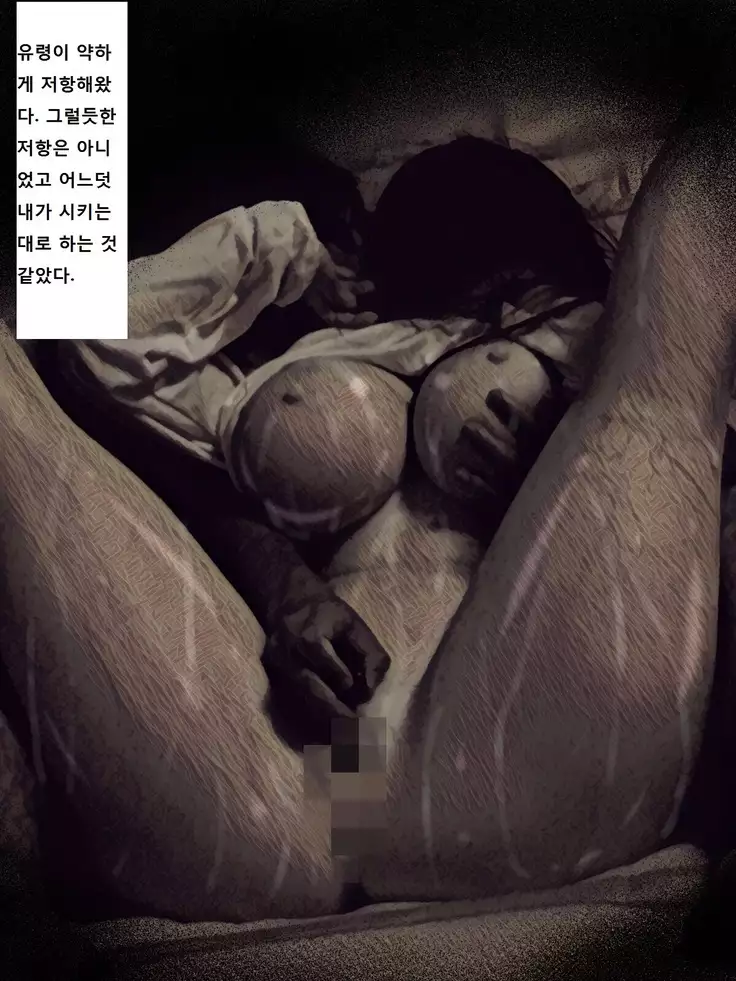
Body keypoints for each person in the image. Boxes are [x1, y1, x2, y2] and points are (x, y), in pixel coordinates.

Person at [48, 141, 611, 746]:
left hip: (553, 674)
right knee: (343, 797)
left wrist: (568, 474)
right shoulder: (290, 378)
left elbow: (665, 442)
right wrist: (278, 246)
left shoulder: (559, 338)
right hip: (358, 700)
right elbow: (81, 325)